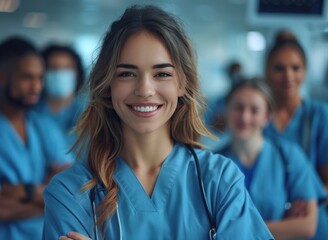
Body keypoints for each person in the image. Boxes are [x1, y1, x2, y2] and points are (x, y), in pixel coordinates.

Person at [43, 5, 273, 240]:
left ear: (182, 83)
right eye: (127, 74)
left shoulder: (219, 181)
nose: (144, 90)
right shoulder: (70, 193)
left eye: (162, 74)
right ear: (108, 84)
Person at [0, 36, 72, 240]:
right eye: (26, 77)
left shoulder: (45, 126)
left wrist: (28, 192)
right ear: (1, 78)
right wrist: (49, 200)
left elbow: (70, 191)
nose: (36, 87)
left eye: (40, 78)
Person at [217, 79, 326, 239]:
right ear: (227, 110)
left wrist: (235, 230)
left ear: (267, 116)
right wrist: (282, 225)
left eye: (254, 110)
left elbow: (307, 225)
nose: (245, 117)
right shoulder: (213, 163)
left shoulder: (289, 155)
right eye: (238, 108)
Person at [263, 31, 328, 239]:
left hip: (310, 224)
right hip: (266, 222)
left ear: (305, 71)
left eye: (296, 68)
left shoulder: (318, 116)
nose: (288, 76)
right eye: (279, 68)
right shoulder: (255, 117)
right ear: (266, 71)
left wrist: (305, 204)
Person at [36, 44, 85, 146]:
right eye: (53, 68)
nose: (60, 73)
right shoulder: (30, 113)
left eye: (67, 68)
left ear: (77, 73)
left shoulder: (88, 112)